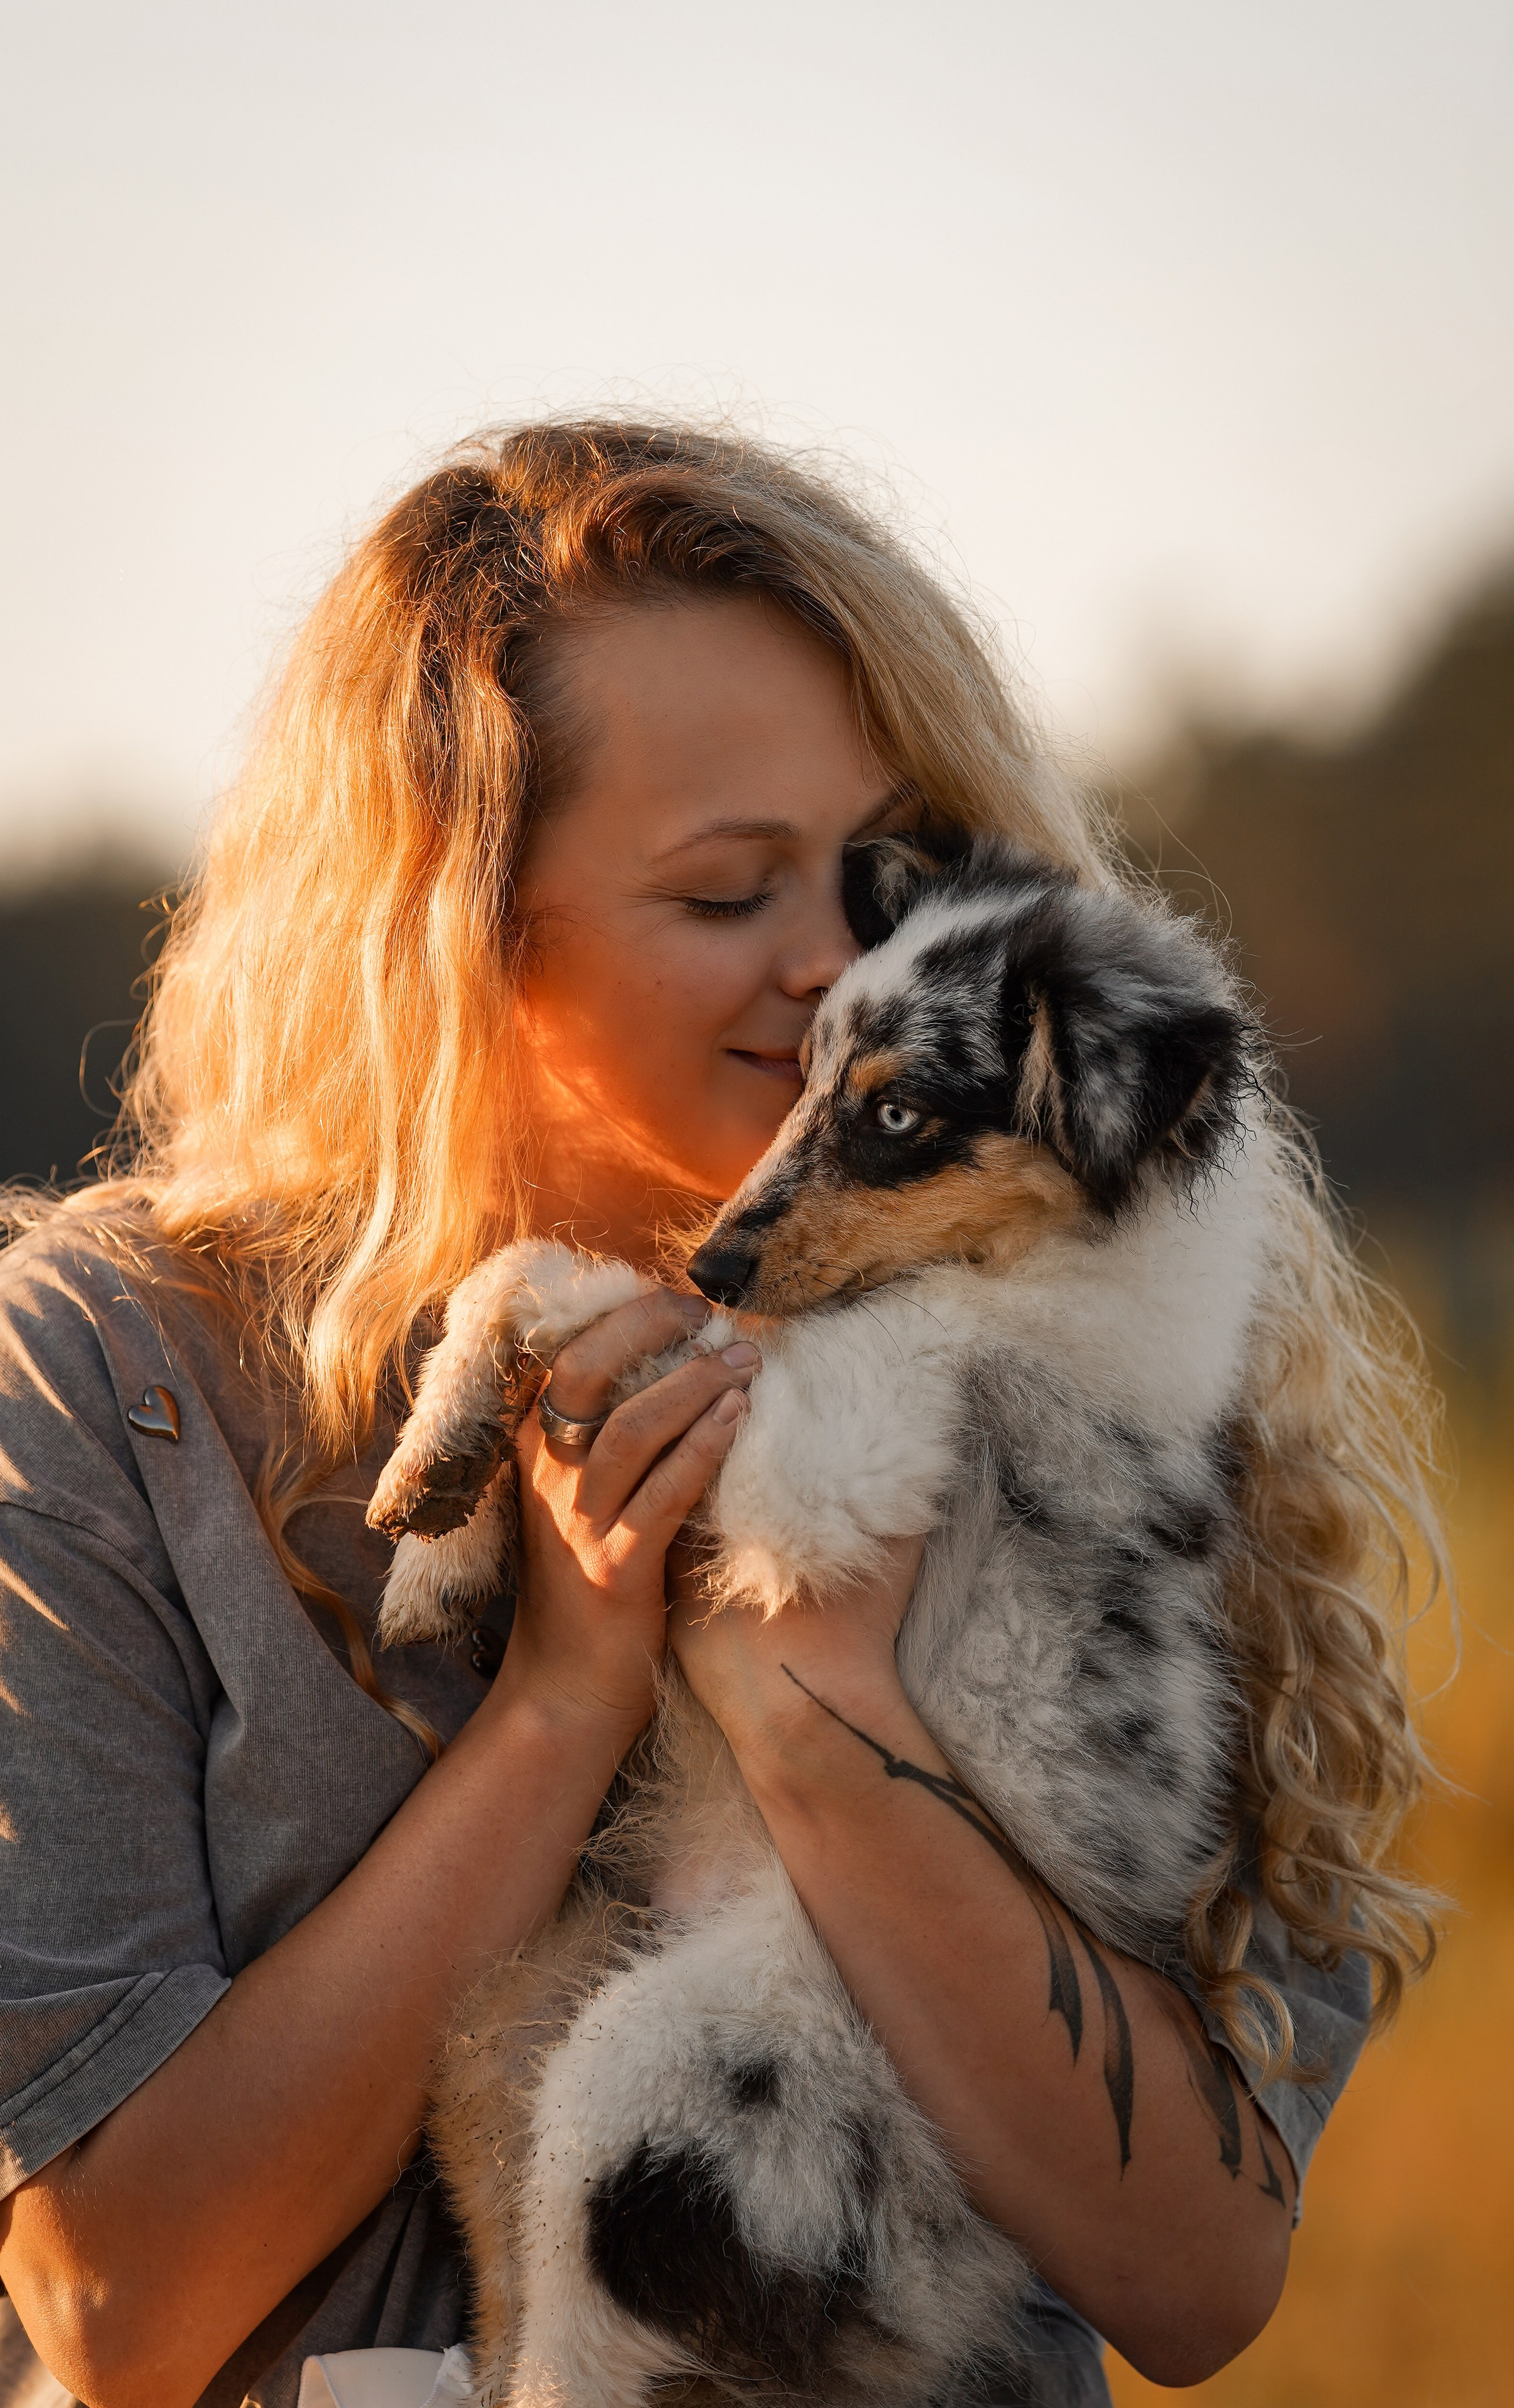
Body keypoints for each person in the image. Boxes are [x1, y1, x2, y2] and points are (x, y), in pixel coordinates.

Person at [0, 422, 1441, 2408]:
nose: (844, 966)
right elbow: (109, 2309)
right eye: (725, 891)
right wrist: (561, 1703)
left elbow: (1193, 2278)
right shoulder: (111, 1373)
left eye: (876, 873)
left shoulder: (1093, 1372)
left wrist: (799, 1696)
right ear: (462, 940)